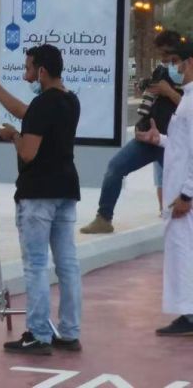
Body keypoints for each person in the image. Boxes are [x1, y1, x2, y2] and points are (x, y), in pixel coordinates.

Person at [0, 44, 82, 355]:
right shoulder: (69, 101)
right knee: (68, 265)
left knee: (36, 265)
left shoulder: (43, 106)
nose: (26, 76)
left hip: (38, 195)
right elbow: (27, 112)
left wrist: (12, 137)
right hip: (66, 190)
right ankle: (69, 332)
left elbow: (27, 152)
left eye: (28, 69)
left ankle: (37, 334)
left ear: (43, 72)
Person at [81, 30, 183, 234]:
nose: (163, 60)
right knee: (115, 167)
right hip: (149, 139)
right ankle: (104, 218)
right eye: (160, 55)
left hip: (175, 143)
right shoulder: (162, 72)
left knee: (180, 187)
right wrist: (141, 124)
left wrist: (169, 92)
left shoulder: (188, 76)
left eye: (167, 54)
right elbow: (151, 102)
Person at [134, 41, 193, 335]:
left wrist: (187, 194)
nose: (174, 68)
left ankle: (189, 315)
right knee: (181, 252)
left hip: (185, 197)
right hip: (180, 191)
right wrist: (159, 141)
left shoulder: (192, 102)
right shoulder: (188, 100)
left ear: (190, 62)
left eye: (176, 62)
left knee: (183, 253)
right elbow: (183, 147)